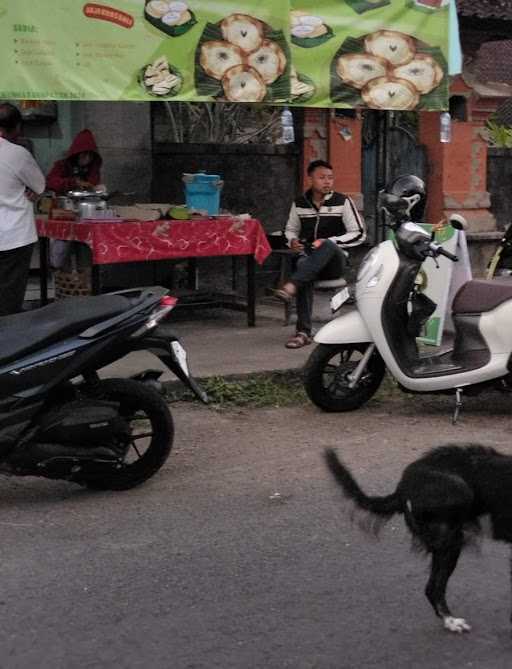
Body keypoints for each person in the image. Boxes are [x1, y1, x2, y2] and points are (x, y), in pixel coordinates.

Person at [274, 160, 366, 349]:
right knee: (303, 266)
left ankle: (291, 286)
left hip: (335, 262)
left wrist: (330, 241)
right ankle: (303, 333)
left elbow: (359, 233)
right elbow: (290, 230)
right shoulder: (299, 204)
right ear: (310, 179)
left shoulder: (342, 201)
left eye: (330, 178)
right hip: (309, 262)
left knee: (327, 246)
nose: (327, 182)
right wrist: (292, 240)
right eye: (322, 177)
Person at [0, 102, 46, 316]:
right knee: (9, 298)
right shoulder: (17, 154)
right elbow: (39, 185)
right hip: (14, 236)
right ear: (16, 127)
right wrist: (30, 188)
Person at [46, 128, 102, 194]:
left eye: (90, 155)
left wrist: (97, 188)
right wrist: (73, 183)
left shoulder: (93, 168)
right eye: (84, 154)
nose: (87, 158)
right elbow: (50, 182)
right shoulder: (62, 165)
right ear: (76, 154)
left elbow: (93, 183)